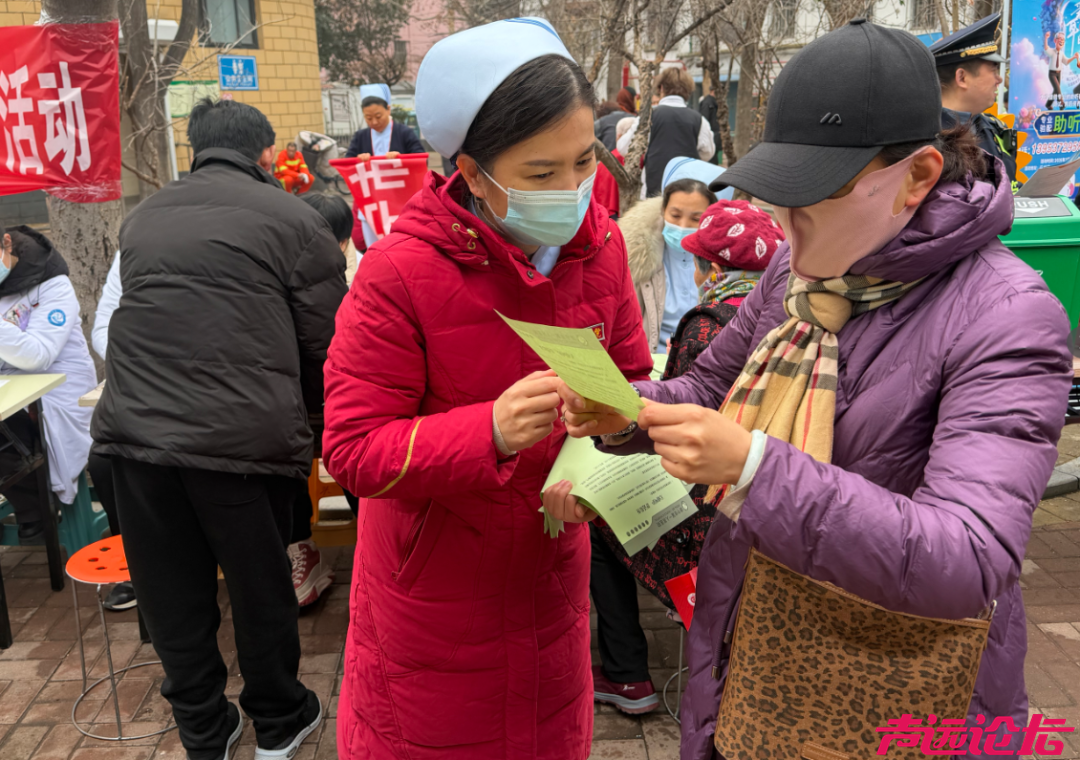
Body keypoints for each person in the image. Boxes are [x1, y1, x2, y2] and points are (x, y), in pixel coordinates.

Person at [556, 19, 1072, 757]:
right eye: (777, 200)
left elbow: (968, 557)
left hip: (899, 688)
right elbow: (708, 383)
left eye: (812, 200)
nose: (786, 233)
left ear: (918, 177)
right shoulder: (800, 267)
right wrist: (630, 411)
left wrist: (755, 469)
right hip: (757, 647)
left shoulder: (1006, 313)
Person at [322, 17, 651, 760]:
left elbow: (631, 383)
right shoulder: (400, 273)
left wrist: (600, 457)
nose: (572, 191)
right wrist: (492, 431)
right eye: (541, 174)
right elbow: (352, 449)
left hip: (550, 578)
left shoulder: (599, 249)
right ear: (471, 173)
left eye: (583, 162)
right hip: (434, 603)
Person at [92, 98, 347, 760]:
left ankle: (204, 731)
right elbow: (329, 347)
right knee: (260, 588)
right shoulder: (296, 219)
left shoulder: (143, 217)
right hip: (244, 446)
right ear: (267, 154)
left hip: (133, 440)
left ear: (196, 146)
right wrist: (318, 440)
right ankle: (280, 719)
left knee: (171, 593)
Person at [593, 200, 782, 647]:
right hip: (762, 499)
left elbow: (690, 405)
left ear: (711, 270)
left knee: (600, 520)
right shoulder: (789, 308)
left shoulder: (706, 323)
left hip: (709, 508)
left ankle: (627, 669)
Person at [0, 225, 96, 545]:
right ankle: (31, 505)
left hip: (59, 390)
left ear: (7, 243)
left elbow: (38, 355)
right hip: (10, 389)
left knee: (8, 431)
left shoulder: (52, 282)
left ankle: (36, 507)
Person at [620, 157, 732, 353]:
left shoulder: (728, 263)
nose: (682, 227)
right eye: (675, 215)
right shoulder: (636, 256)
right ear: (663, 209)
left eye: (696, 219)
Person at [930, 12, 1017, 184]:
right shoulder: (923, 137)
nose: (999, 80)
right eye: (993, 70)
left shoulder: (992, 127)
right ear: (962, 77)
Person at [617, 67, 715, 197]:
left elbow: (624, 148)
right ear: (687, 90)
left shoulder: (649, 117)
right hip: (688, 192)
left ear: (661, 88)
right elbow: (708, 152)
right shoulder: (699, 120)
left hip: (654, 192)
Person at [344, 83, 425, 160]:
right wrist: (358, 159)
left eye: (378, 116)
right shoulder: (360, 137)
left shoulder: (405, 133)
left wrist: (401, 158)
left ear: (388, 109)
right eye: (369, 118)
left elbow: (421, 158)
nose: (374, 122)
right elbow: (347, 162)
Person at [698, 83, 721, 165]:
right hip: (711, 136)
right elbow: (704, 120)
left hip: (716, 135)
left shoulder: (715, 103)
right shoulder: (707, 103)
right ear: (713, 91)